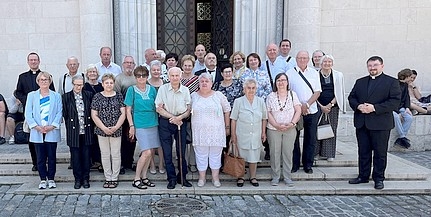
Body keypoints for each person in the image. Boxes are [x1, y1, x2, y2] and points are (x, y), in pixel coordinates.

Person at [348, 56, 401, 190]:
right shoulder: (360, 82)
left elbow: (394, 102)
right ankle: (363, 176)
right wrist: (358, 106)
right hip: (362, 122)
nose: (372, 68)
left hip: (381, 123)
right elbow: (351, 97)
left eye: (375, 65)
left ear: (382, 66)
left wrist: (374, 108)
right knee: (363, 151)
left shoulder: (392, 82)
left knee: (380, 152)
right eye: (370, 66)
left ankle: (378, 178)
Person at [16, 52, 55, 171]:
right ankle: (36, 162)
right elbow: (18, 92)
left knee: (47, 138)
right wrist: (28, 101)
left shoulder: (46, 76)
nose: (33, 62)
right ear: (28, 62)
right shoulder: (22, 77)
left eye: (35, 60)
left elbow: (52, 92)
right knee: (32, 139)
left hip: (45, 112)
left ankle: (46, 161)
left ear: (39, 61)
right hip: (30, 112)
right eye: (31, 60)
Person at [155, 67, 192, 189]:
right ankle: (171, 178)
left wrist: (179, 118)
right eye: (172, 76)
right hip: (166, 122)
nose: (175, 78)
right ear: (168, 77)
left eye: (177, 75)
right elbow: (158, 108)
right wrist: (174, 118)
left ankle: (182, 177)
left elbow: (188, 109)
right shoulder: (162, 89)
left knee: (181, 151)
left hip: (181, 122)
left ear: (180, 76)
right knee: (167, 152)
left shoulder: (185, 90)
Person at [191, 73, 230, 187]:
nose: (204, 83)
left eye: (206, 81)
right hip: (200, 132)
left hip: (216, 132)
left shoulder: (218, 95)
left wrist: (227, 126)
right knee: (200, 155)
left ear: (211, 83)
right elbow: (187, 110)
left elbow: (227, 110)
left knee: (215, 155)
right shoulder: (193, 96)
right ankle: (202, 178)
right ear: (199, 83)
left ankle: (215, 178)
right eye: (202, 81)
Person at [24, 71, 62, 189]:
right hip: (37, 131)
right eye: (41, 80)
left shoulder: (56, 96)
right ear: (38, 82)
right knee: (40, 157)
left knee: (51, 156)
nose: (44, 82)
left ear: (50, 81)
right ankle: (42, 179)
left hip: (51, 130)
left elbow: (59, 112)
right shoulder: (32, 95)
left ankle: (51, 178)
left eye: (46, 80)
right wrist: (36, 126)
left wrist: (52, 126)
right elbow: (28, 113)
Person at [286, 51, 321, 174]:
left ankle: (308, 164)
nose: (302, 60)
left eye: (305, 58)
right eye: (300, 58)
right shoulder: (289, 73)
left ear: (308, 59)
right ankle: (295, 164)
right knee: (294, 139)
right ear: (296, 59)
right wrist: (299, 107)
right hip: (296, 111)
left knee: (310, 139)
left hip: (312, 110)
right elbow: (288, 92)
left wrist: (307, 104)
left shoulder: (314, 73)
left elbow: (317, 92)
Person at [124, 66, 160, 190]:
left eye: (143, 76)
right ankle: (136, 178)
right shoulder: (131, 90)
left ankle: (144, 177)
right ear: (135, 77)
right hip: (139, 123)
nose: (141, 78)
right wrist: (131, 125)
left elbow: (157, 105)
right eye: (138, 76)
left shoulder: (152, 90)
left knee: (150, 153)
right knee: (146, 152)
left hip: (153, 123)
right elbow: (128, 110)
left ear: (147, 77)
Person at [230, 78, 268, 187]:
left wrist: (263, 132)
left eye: (253, 88)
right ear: (244, 89)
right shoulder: (238, 101)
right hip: (241, 133)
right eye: (248, 88)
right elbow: (233, 119)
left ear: (256, 89)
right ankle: (240, 177)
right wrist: (233, 135)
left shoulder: (260, 101)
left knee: (253, 156)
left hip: (255, 133)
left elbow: (264, 118)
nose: (251, 90)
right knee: (241, 156)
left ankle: (253, 177)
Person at [91, 73, 126, 189]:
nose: (109, 85)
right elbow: (94, 115)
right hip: (102, 130)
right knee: (105, 154)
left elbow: (123, 113)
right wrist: (104, 128)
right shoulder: (97, 96)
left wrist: (116, 127)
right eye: (107, 83)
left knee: (116, 154)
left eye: (111, 83)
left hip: (116, 129)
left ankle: (114, 178)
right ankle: (108, 177)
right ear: (102, 84)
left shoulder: (119, 96)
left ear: (114, 83)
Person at [266, 73, 301, 186]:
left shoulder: (292, 94)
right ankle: (275, 176)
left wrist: (292, 123)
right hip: (273, 129)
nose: (281, 83)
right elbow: (268, 112)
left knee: (287, 152)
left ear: (287, 82)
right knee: (274, 153)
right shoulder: (271, 96)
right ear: (275, 83)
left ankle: (287, 176)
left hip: (289, 129)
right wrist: (276, 125)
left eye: (283, 80)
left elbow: (298, 110)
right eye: (278, 80)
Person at [62, 75, 94, 189]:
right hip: (73, 131)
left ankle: (86, 178)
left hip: (86, 130)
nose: (79, 87)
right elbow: (65, 114)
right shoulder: (66, 97)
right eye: (77, 85)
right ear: (73, 84)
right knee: (75, 157)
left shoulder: (88, 95)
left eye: (81, 85)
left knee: (86, 156)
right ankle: (77, 179)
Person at [315, 55, 346, 161]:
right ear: (321, 63)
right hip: (318, 105)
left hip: (332, 106)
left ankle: (329, 154)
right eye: (325, 61)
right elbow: (313, 91)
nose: (327, 63)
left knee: (330, 129)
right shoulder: (315, 74)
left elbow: (339, 92)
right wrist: (321, 106)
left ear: (332, 63)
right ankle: (316, 153)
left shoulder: (338, 75)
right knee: (316, 129)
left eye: (329, 61)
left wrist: (330, 104)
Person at [114, 56, 137, 175]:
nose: (129, 65)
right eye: (127, 63)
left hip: (135, 114)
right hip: (123, 113)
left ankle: (130, 161)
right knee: (123, 140)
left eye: (131, 63)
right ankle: (122, 163)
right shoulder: (118, 79)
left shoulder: (137, 78)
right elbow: (117, 96)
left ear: (134, 65)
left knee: (132, 139)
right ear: (123, 64)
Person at [180, 55, 199, 173]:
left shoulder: (197, 79)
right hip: (180, 112)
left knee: (193, 138)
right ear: (182, 66)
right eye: (185, 65)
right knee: (182, 139)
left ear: (193, 66)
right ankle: (184, 162)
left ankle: (192, 162)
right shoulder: (178, 79)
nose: (187, 68)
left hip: (195, 113)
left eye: (189, 66)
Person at [83, 64, 104, 172]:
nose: (92, 74)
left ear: (97, 73)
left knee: (99, 140)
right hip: (87, 117)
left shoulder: (101, 86)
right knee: (90, 139)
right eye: (90, 72)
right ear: (87, 74)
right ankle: (92, 161)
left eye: (94, 72)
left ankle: (100, 162)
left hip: (100, 117)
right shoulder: (84, 86)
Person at [147, 60, 166, 175]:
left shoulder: (164, 83)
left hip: (163, 116)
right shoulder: (147, 83)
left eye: (158, 70)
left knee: (161, 142)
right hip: (150, 116)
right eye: (154, 70)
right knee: (151, 142)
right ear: (150, 71)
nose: (156, 72)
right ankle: (152, 164)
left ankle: (161, 164)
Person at [393, 69, 413, 148]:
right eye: (410, 77)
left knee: (409, 118)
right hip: (392, 108)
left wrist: (407, 108)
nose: (411, 79)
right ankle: (402, 137)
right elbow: (392, 99)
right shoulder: (394, 84)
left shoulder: (405, 85)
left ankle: (401, 138)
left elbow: (407, 97)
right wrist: (397, 111)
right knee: (396, 117)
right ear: (406, 76)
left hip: (401, 107)